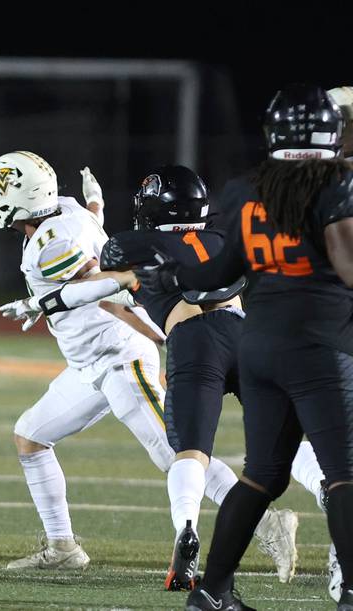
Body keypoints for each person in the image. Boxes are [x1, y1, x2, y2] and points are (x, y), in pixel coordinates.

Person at [0, 165, 300, 587]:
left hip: (120, 356)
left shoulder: (52, 240)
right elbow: (94, 241)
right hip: (88, 363)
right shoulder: (65, 212)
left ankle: (269, 523)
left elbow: (106, 286)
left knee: (177, 452)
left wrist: (151, 333)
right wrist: (96, 207)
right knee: (30, 435)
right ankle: (63, 547)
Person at [135, 84, 353, 611]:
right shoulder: (339, 184)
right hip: (319, 346)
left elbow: (218, 271)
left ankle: (212, 591)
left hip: (259, 348)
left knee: (261, 476)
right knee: (346, 474)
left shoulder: (243, 188)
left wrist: (168, 271)